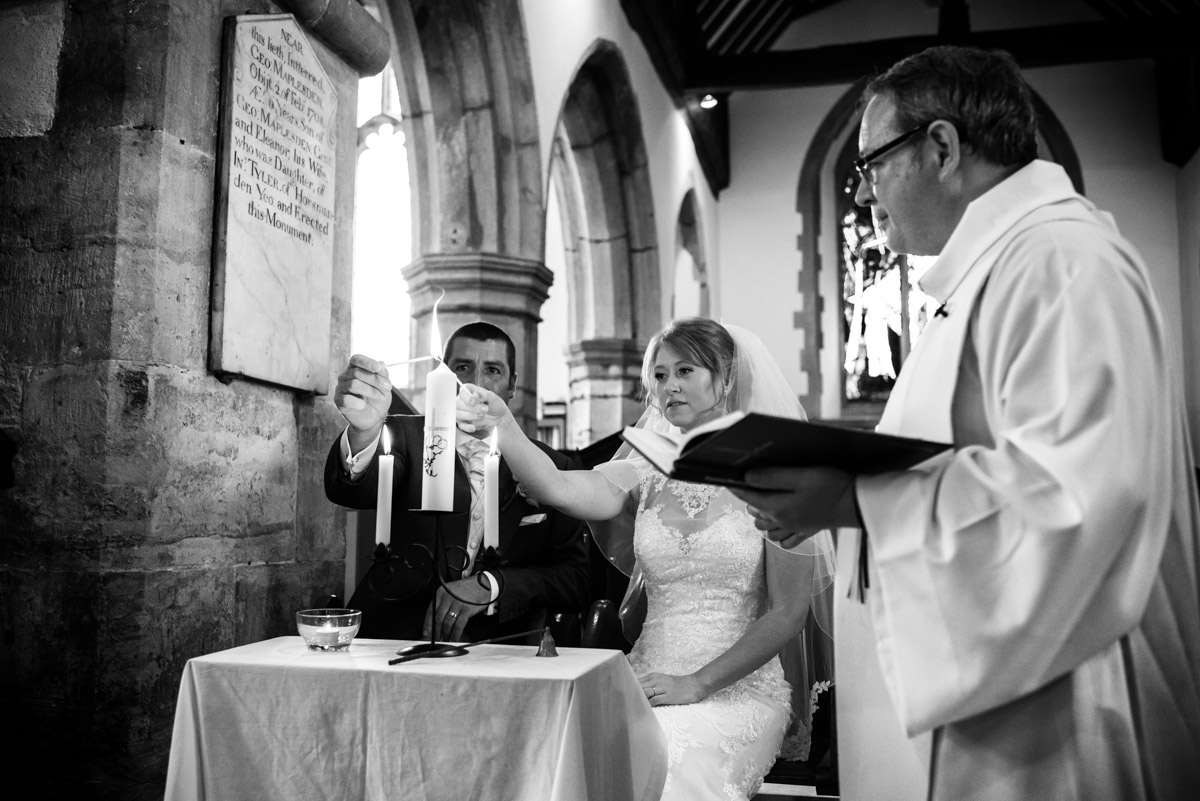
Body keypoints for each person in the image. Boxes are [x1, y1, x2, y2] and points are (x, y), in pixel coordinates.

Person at [733, 46, 1200, 800]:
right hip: (999, 709)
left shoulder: (1062, 262)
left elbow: (1075, 502)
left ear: (943, 148)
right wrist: (831, 508)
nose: (864, 192)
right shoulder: (990, 275)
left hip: (1063, 717)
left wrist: (855, 499)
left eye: (871, 164)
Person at [458, 317, 835, 801]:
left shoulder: (778, 474)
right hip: (644, 680)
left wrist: (697, 684)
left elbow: (788, 613)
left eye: (685, 371)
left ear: (725, 378)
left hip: (737, 690)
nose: (668, 386)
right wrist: (504, 426)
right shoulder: (645, 466)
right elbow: (558, 487)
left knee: (663, 750)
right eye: (659, 375)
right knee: (558, 748)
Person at [324, 321, 591, 644]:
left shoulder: (554, 467)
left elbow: (576, 578)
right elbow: (350, 491)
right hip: (393, 638)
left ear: (512, 385)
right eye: (462, 368)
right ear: (443, 378)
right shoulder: (403, 437)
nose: (475, 383)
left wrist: (493, 586)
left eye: (493, 370)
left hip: (502, 650)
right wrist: (364, 432)